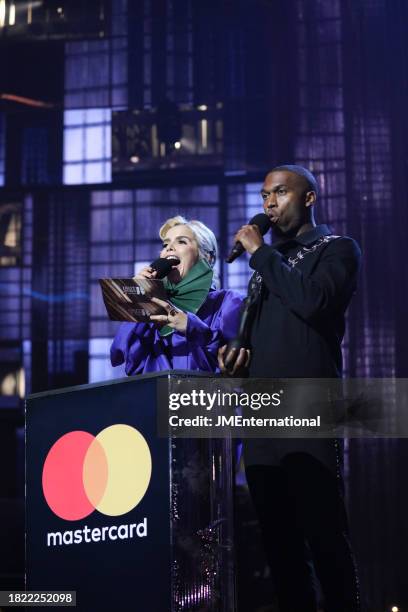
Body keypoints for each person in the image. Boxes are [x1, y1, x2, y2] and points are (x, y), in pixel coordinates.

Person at [219, 165, 362, 612]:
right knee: (278, 543)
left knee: (323, 533)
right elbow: (260, 331)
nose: (269, 204)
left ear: (309, 198)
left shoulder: (336, 248)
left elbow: (313, 301)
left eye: (280, 193)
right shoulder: (267, 265)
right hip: (262, 411)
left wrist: (262, 253)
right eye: (265, 196)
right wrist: (238, 354)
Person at [111, 216, 243, 374]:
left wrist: (191, 327)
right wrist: (138, 298)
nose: (169, 248)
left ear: (207, 256)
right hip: (155, 397)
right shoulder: (153, 310)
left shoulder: (229, 301)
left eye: (181, 241)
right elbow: (126, 360)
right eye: (165, 244)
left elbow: (234, 362)